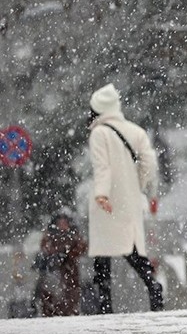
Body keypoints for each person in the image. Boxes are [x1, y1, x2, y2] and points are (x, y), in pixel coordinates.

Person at [87, 83, 163, 313]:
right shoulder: (136, 131)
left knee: (103, 253)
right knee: (130, 248)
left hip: (107, 200)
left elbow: (103, 167)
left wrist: (101, 193)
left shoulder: (99, 133)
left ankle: (105, 304)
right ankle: (153, 287)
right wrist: (138, 186)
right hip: (129, 199)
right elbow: (150, 164)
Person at [34, 213, 88, 317]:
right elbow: (45, 247)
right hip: (53, 268)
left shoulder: (74, 234)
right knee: (50, 293)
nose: (62, 225)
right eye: (60, 223)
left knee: (71, 295)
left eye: (64, 223)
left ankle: (68, 313)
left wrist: (69, 254)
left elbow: (82, 247)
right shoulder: (50, 234)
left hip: (70, 270)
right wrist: (56, 254)